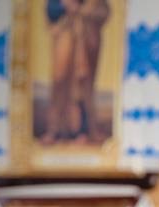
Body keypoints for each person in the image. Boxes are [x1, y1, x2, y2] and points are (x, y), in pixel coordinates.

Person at [42, 0, 112, 145]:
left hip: (87, 41)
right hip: (65, 37)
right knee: (60, 80)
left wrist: (84, 11)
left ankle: (84, 130)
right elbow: (51, 10)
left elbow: (103, 11)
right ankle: (56, 130)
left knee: (83, 85)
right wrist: (65, 6)